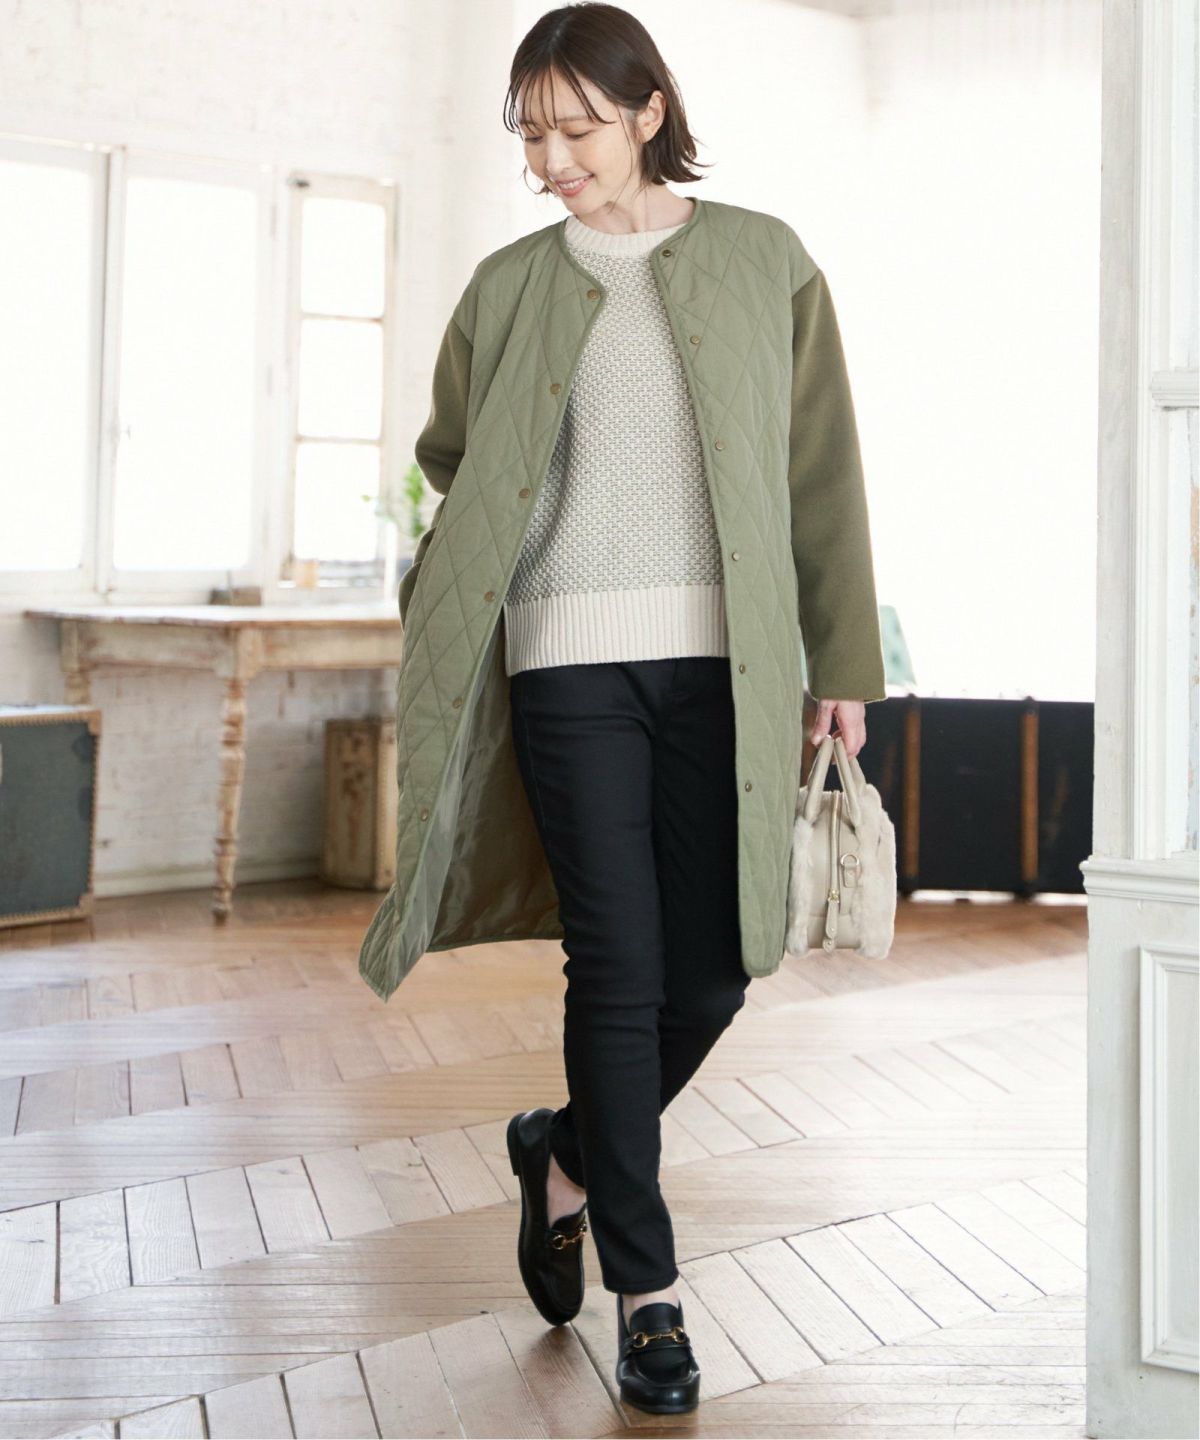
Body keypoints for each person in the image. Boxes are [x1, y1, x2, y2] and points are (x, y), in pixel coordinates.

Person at [362, 1, 887, 1416]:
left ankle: (568, 1155)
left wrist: (841, 662)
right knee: (615, 965)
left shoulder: (768, 262)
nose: (552, 162)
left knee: (716, 968)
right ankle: (648, 1298)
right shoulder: (508, 286)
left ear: (650, 111)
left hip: (728, 666)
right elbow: (456, 451)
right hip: (566, 664)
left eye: (578, 129)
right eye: (531, 135)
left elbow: (822, 474)